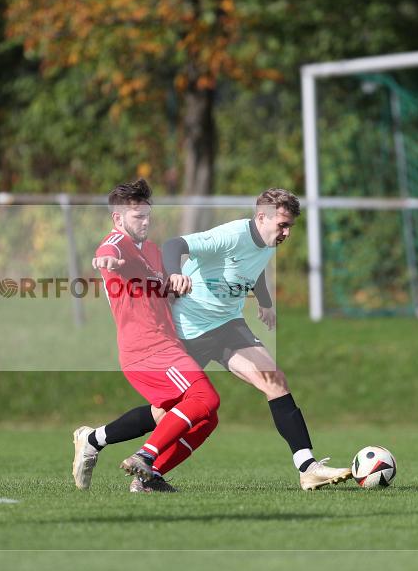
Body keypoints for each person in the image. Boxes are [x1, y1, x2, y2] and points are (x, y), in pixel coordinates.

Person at [73, 188, 351, 491]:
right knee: (168, 412)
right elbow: (175, 244)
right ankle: (98, 440)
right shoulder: (231, 234)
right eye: (282, 225)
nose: (286, 233)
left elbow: (251, 268)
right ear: (261, 217)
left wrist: (265, 301)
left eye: (289, 227)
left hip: (228, 325)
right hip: (189, 328)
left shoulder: (268, 241)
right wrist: (176, 274)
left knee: (274, 380)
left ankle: (307, 467)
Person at [73, 179, 221, 493]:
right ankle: (145, 455)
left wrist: (174, 286)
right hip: (147, 349)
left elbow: (158, 292)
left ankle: (142, 476)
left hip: (165, 344)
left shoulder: (152, 250)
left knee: (204, 418)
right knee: (205, 398)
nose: (145, 221)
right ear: (118, 219)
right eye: (137, 216)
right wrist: (105, 260)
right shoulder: (118, 242)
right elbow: (108, 250)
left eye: (147, 215)